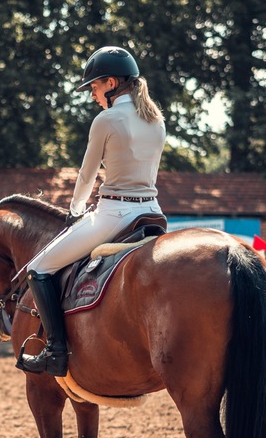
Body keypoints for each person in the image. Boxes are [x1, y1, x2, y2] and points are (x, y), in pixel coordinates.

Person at [17, 45, 167, 376]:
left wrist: (74, 209)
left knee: (39, 268)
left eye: (95, 88)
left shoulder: (107, 119)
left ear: (112, 83)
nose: (93, 96)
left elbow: (87, 174)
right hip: (153, 214)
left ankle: (55, 351)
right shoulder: (156, 121)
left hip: (113, 216)